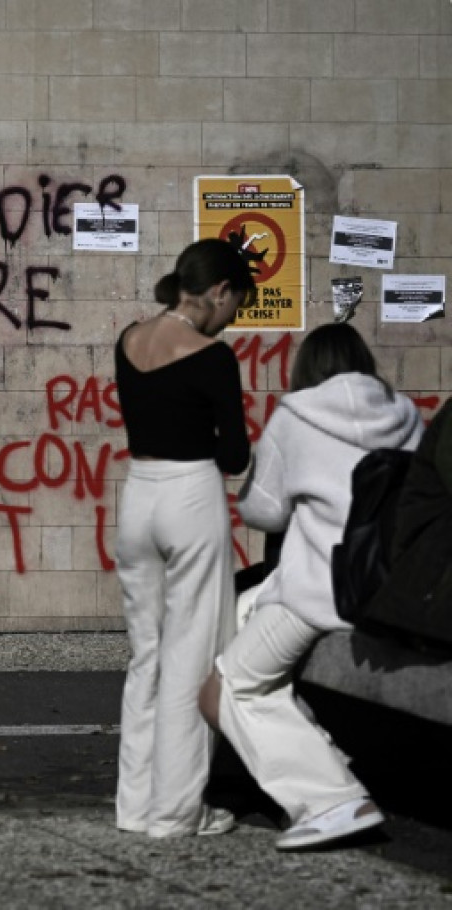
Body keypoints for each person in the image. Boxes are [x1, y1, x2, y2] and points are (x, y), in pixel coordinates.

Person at [199, 323, 422, 850]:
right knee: (236, 619)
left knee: (226, 686)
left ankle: (332, 800)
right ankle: (326, 760)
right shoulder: (406, 413)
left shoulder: (296, 416)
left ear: (308, 367)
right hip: (383, 589)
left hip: (317, 592)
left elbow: (263, 512)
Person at [113, 238, 255, 838]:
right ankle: (175, 812)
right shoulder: (213, 357)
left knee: (146, 653)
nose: (233, 320)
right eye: (237, 306)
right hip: (190, 496)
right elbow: (233, 453)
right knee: (191, 655)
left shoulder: (129, 339)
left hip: (136, 497)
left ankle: (135, 806)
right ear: (219, 291)